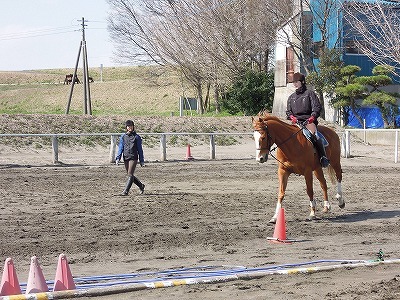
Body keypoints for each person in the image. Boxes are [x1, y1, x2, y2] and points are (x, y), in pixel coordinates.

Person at [286, 72, 330, 168]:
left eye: (297, 82)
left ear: (302, 82)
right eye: (294, 82)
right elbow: (288, 111)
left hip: (308, 121)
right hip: (296, 122)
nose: (295, 84)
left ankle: (323, 157)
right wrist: (291, 117)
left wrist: (312, 117)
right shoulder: (291, 97)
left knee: (316, 136)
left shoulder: (310, 94)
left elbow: (317, 107)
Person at [115, 120, 145, 195]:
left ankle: (126, 191)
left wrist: (141, 160)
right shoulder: (123, 137)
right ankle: (141, 185)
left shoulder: (137, 137)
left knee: (130, 174)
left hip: (133, 157)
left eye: (131, 126)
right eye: (128, 126)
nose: (130, 127)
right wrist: (118, 158)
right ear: (126, 127)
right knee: (129, 175)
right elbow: (121, 148)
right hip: (126, 157)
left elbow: (140, 149)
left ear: (133, 126)